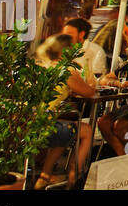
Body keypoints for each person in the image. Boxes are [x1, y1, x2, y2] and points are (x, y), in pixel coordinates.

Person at [34, 35, 96, 189]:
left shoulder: (42, 65)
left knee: (66, 129)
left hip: (29, 124)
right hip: (45, 127)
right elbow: (90, 93)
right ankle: (73, 176)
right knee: (86, 131)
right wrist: (90, 81)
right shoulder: (67, 70)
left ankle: (45, 176)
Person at [62, 17, 107, 83]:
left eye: (69, 34)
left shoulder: (96, 51)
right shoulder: (63, 50)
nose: (64, 37)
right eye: (64, 34)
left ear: (81, 34)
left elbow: (98, 78)